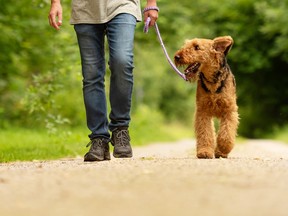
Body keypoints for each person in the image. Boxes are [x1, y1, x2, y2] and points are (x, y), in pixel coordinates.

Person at [48, 0, 159, 162]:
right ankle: (98, 138)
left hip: (123, 5)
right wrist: (55, 2)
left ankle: (120, 128)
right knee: (91, 75)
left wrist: (151, 3)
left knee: (122, 61)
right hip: (85, 9)